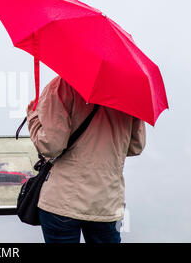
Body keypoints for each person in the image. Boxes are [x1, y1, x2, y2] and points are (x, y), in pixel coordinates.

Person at [27, 76, 146, 243]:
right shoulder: (130, 92)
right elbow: (135, 146)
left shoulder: (62, 86)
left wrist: (33, 117)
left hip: (63, 200)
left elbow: (51, 146)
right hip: (106, 201)